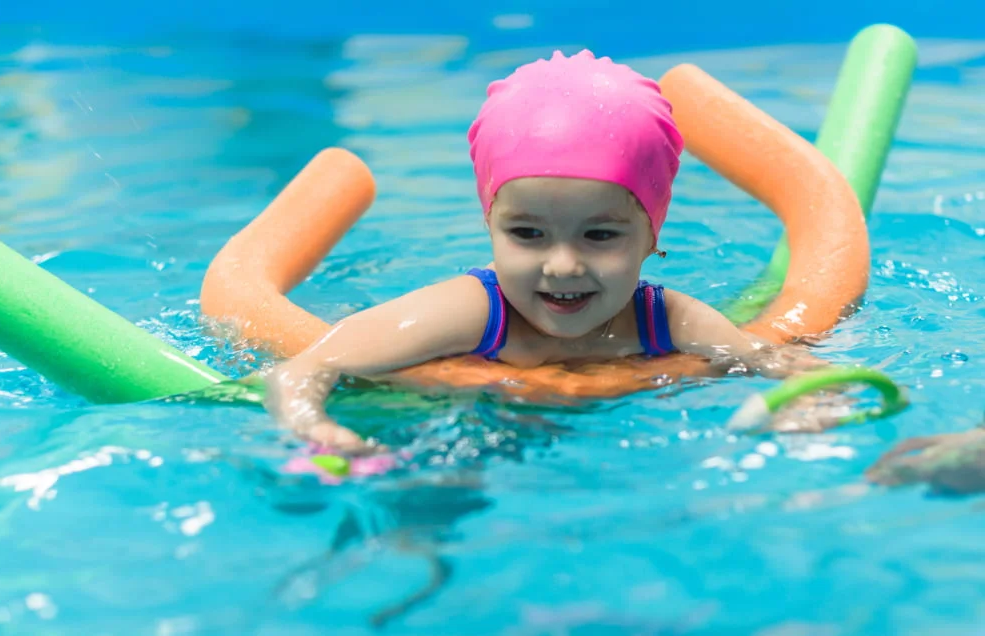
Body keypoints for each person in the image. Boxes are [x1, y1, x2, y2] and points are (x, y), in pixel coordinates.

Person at [264, 49, 824, 453]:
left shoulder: (667, 319)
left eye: (599, 235)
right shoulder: (472, 313)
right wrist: (312, 424)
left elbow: (782, 363)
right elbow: (306, 367)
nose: (562, 266)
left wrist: (808, 402)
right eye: (527, 235)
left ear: (651, 236)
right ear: (491, 227)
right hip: (446, 433)